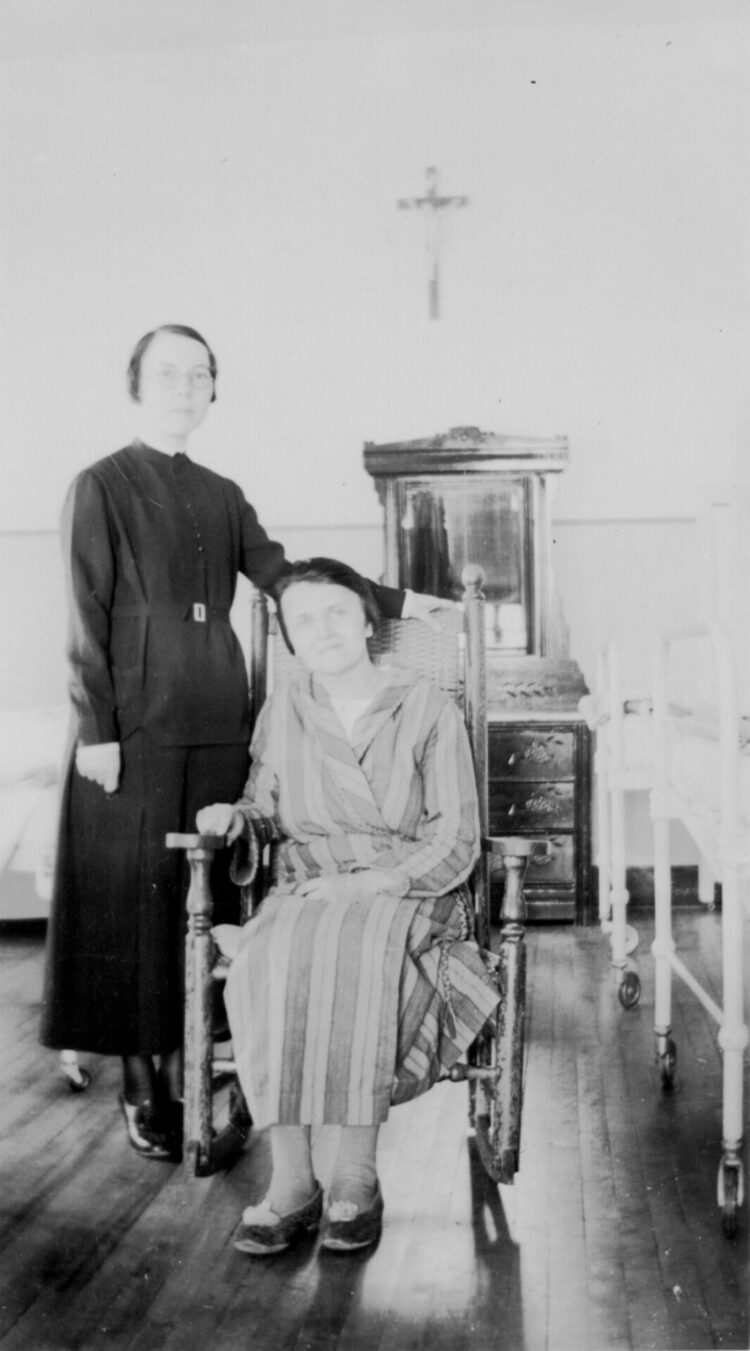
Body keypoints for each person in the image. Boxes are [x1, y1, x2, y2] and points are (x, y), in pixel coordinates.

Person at [40, 324, 448, 1162]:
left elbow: (287, 577)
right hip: (132, 722)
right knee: (137, 898)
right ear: (136, 384)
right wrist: (96, 730)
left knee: (209, 894)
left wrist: (401, 601)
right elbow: (82, 615)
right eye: (167, 373)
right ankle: (144, 1084)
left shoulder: (223, 492)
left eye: (200, 374)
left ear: (213, 390)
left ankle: (200, 1072)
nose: (184, 386)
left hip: (223, 710)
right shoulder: (101, 484)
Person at [197, 558, 500, 1254]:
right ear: (293, 641)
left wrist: (367, 885)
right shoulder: (286, 706)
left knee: (351, 944)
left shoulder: (426, 705)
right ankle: (293, 1182)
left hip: (407, 889)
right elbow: (264, 807)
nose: (321, 629)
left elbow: (455, 833)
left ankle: (354, 1178)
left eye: (336, 611)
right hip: (308, 887)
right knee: (273, 952)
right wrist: (235, 817)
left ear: (368, 621)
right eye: (304, 620)